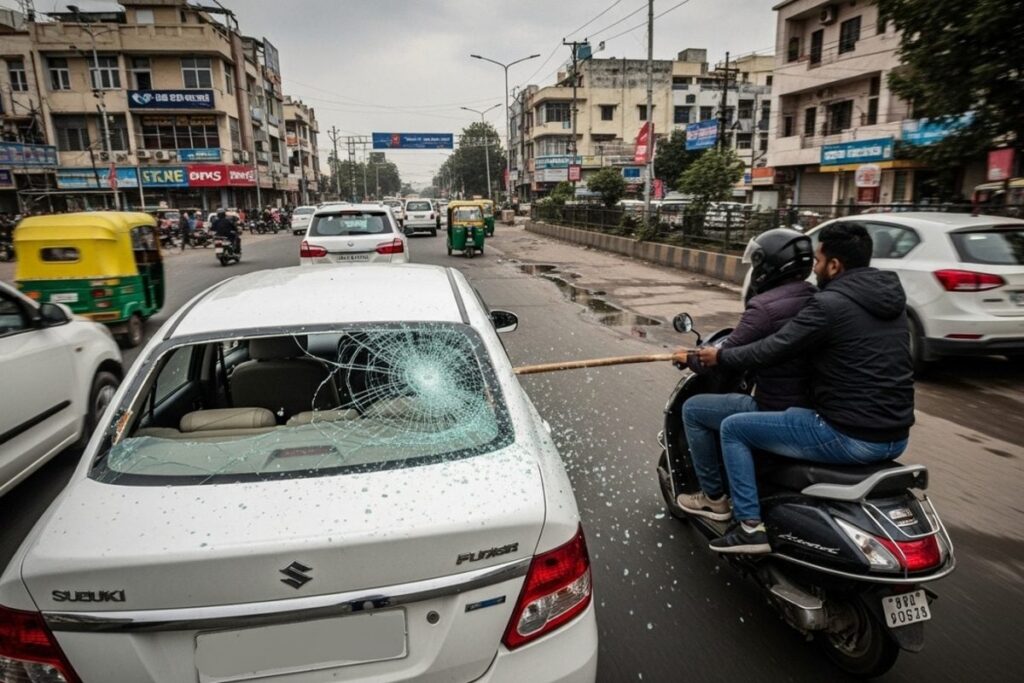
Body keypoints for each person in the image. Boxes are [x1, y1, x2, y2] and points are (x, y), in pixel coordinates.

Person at [696, 222, 914, 554]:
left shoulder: (829, 304)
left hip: (849, 435)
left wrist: (720, 356)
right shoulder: (892, 302)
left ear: (835, 265)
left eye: (819, 261)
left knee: (733, 428)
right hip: (896, 436)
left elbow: (773, 348)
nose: (814, 269)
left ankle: (749, 527)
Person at [675, 228, 816, 522]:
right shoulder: (817, 298)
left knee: (693, 410)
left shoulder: (764, 307)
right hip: (811, 405)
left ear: (769, 265)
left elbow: (724, 357)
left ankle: (713, 497)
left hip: (776, 406)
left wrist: (689, 358)